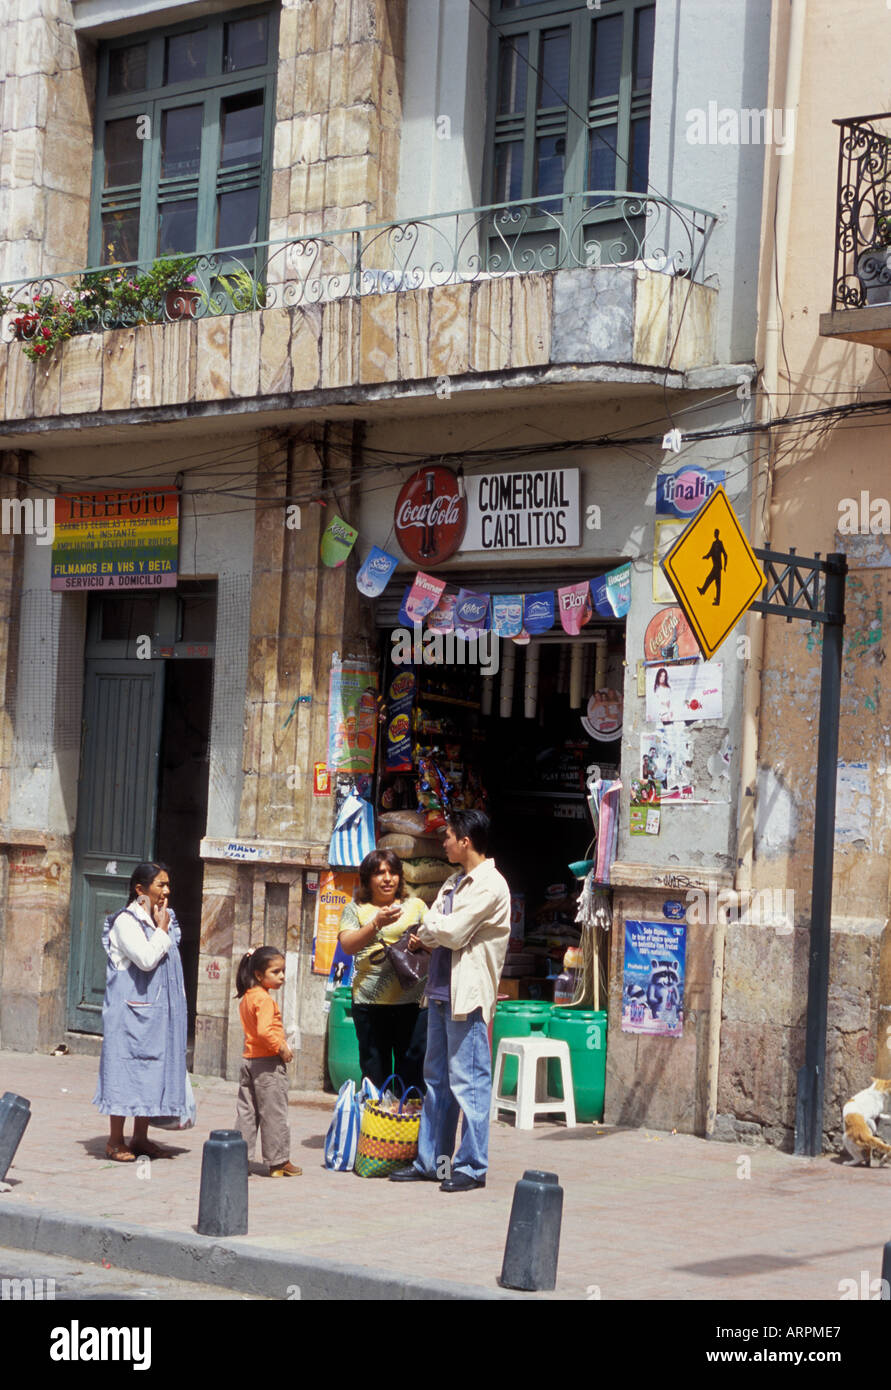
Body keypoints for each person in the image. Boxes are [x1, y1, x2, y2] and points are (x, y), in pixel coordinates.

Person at [389, 809, 510, 1193]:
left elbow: (451, 932)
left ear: (466, 841)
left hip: (467, 997)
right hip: (440, 993)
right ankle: (435, 1164)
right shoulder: (453, 882)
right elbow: (433, 931)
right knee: (437, 1083)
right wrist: (434, 928)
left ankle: (472, 1167)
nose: (443, 843)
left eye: (448, 836)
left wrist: (433, 926)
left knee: (469, 1084)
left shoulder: (490, 885)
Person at [93, 861, 188, 1161]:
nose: (166, 891)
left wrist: (162, 925)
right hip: (128, 1015)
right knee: (125, 1070)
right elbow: (146, 959)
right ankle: (114, 1140)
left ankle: (141, 1137)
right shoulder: (125, 922)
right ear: (140, 890)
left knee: (151, 1069)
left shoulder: (165, 918)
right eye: (161, 884)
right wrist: (161, 929)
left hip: (157, 1013)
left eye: (167, 885)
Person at [337, 849, 428, 1091]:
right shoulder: (355, 908)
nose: (387, 878)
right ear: (367, 879)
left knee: (412, 1072)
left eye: (392, 872)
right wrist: (376, 923)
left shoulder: (416, 906)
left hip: (412, 1003)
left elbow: (435, 941)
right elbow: (347, 945)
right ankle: (377, 1126)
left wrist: (422, 943)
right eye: (379, 873)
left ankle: (408, 1126)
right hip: (369, 1003)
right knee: (374, 1071)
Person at [234, 945, 302, 1177]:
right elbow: (264, 1031)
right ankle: (278, 1161)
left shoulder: (247, 998)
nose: (282, 976)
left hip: (249, 1060)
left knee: (247, 1112)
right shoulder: (263, 999)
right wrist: (281, 1048)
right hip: (267, 1064)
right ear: (259, 975)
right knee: (274, 1112)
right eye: (276, 972)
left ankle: (237, 1158)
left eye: (282, 971)